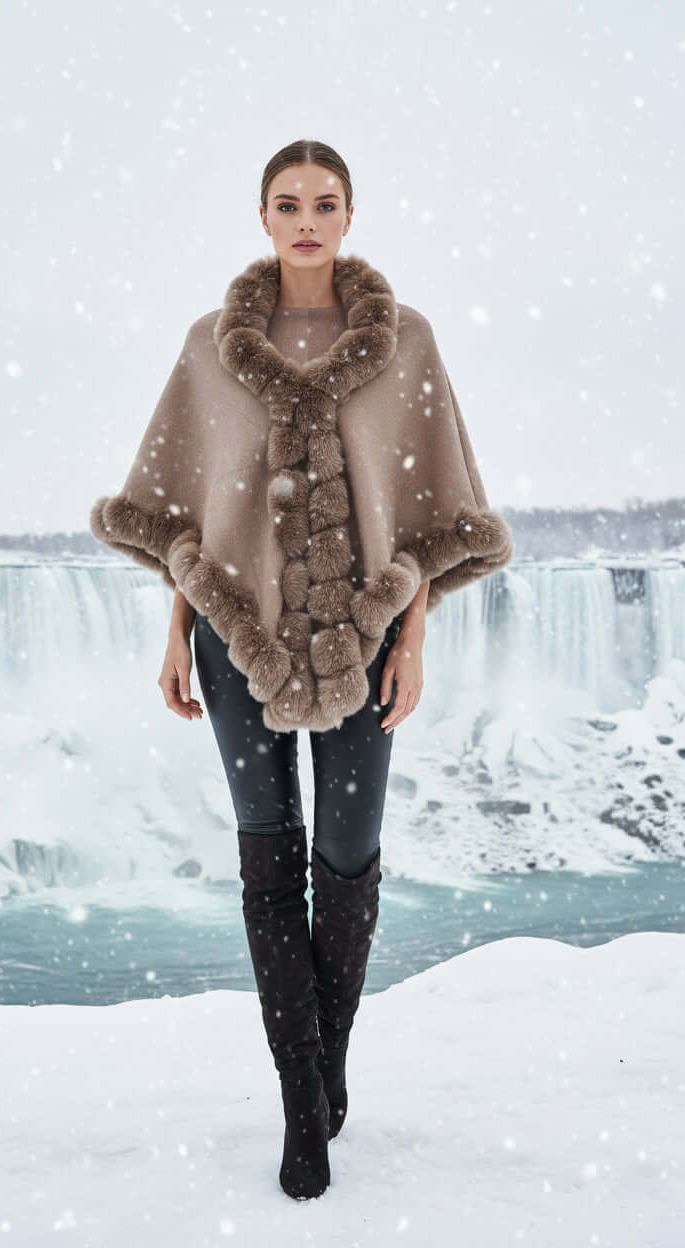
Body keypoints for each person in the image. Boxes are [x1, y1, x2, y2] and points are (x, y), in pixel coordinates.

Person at [90, 139, 513, 1201]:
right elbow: (187, 508)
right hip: (240, 645)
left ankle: (329, 1066)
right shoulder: (210, 346)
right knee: (267, 865)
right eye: (287, 203)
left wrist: (413, 641)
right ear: (263, 217)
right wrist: (175, 631)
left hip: (365, 644)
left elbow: (428, 517)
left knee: (347, 867)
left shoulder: (405, 344)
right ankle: (301, 1110)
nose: (306, 219)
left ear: (352, 213)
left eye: (325, 202)